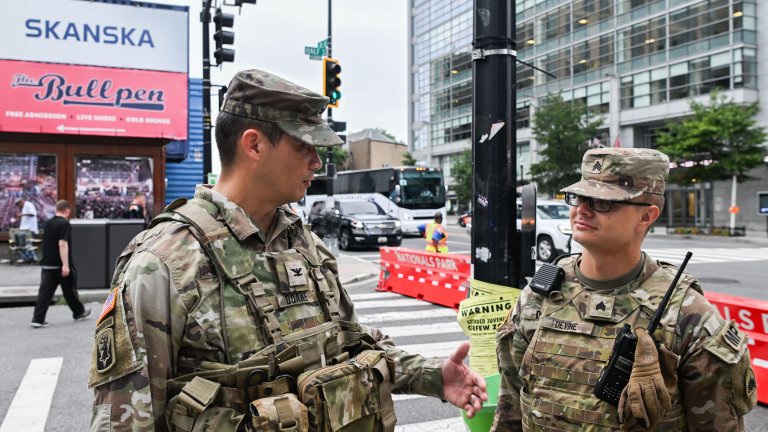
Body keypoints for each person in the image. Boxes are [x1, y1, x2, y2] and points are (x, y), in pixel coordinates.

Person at [88, 69, 487, 432]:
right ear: (255, 145)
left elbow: (352, 346)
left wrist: (433, 375)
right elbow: (124, 422)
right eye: (304, 146)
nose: (317, 162)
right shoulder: (163, 264)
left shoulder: (305, 245)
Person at [491, 148, 757, 432]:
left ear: (646, 216)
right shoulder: (540, 295)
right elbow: (511, 410)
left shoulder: (687, 315)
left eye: (603, 202)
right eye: (579, 197)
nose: (582, 208)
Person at [31, 200, 91, 328]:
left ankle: (38, 318)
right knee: (70, 290)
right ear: (67, 210)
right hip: (60, 265)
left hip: (47, 264)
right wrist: (65, 265)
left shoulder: (47, 223)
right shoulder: (64, 224)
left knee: (45, 293)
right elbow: (62, 244)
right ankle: (79, 312)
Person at [15, 197, 39, 262]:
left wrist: (22, 214)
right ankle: (29, 257)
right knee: (25, 244)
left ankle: (32, 257)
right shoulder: (24, 207)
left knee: (28, 243)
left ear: (21, 202)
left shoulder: (29, 205)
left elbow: (33, 213)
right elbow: (26, 217)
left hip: (29, 229)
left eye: (18, 205)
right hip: (25, 228)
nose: (18, 206)